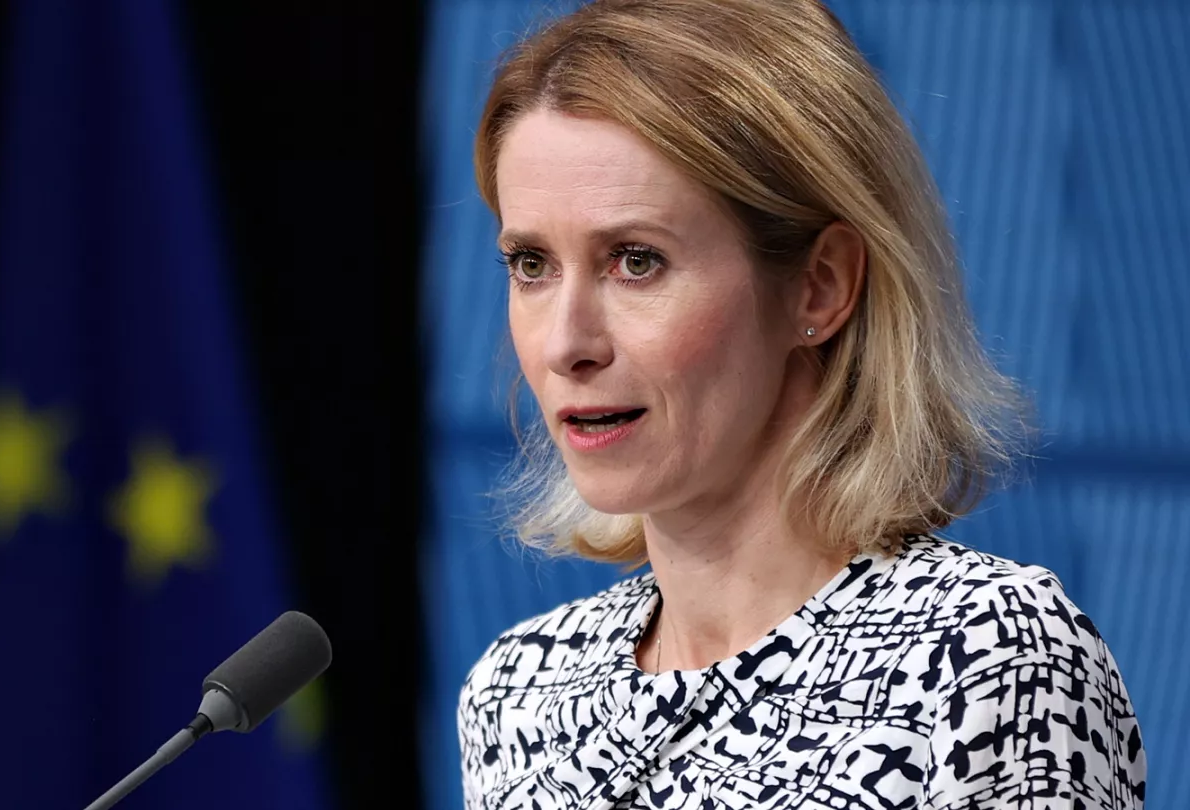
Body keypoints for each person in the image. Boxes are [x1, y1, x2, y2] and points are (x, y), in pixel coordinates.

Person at [454, 1, 1147, 808]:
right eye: (531, 265)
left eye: (636, 261)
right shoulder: (517, 695)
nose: (565, 343)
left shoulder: (984, 660)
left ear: (820, 285)